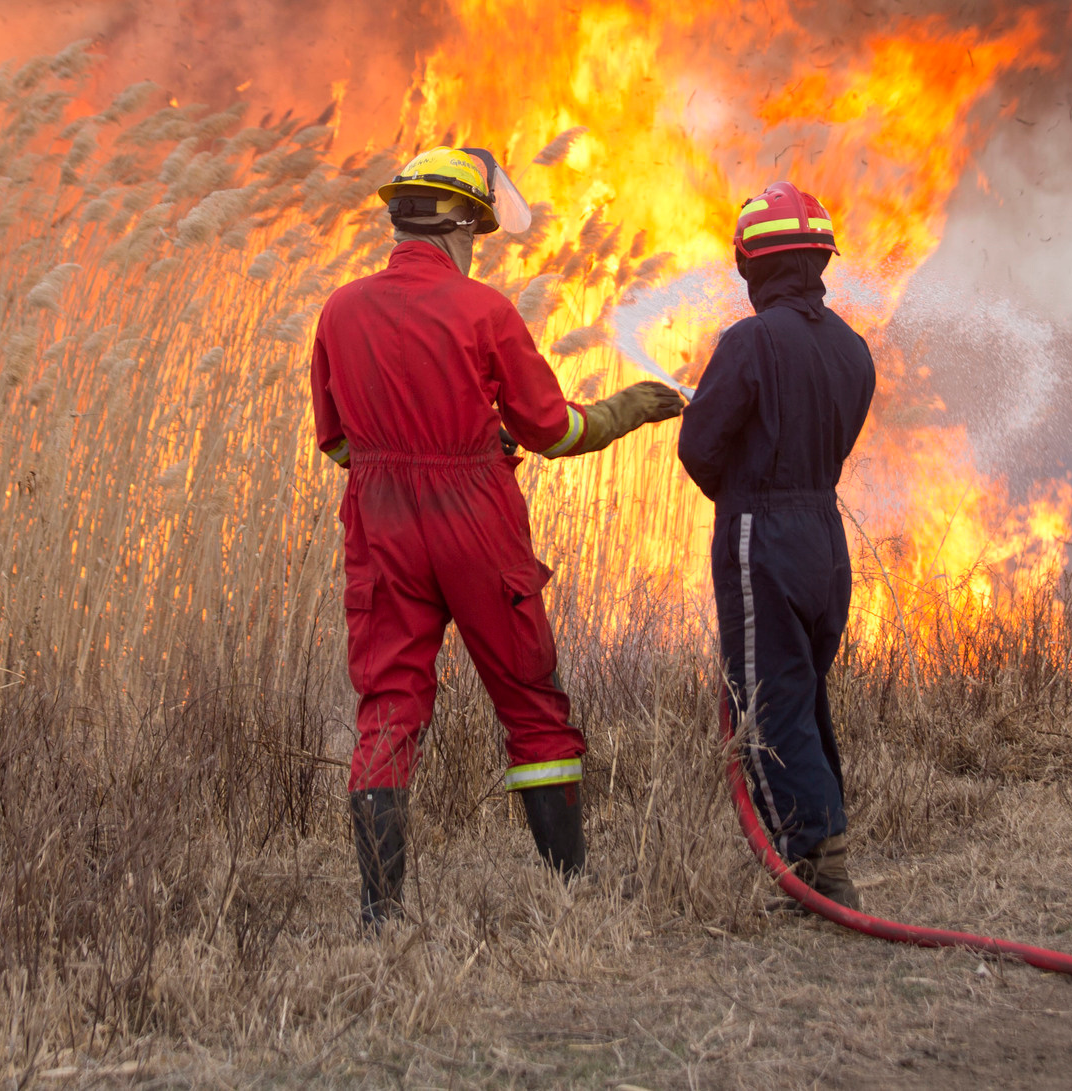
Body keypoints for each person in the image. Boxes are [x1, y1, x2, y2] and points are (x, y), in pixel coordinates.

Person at [311, 145, 684, 923]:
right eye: (476, 231)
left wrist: (402, 454)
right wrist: (626, 410)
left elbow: (338, 442)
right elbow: (552, 430)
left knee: (388, 704)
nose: (476, 244)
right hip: (474, 520)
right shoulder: (484, 311)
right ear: (458, 226)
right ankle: (567, 895)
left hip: (380, 522)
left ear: (400, 219)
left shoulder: (339, 310)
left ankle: (380, 912)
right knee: (529, 699)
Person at [675, 182, 877, 907]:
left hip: (762, 534)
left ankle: (816, 859)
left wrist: (744, 494)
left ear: (749, 263)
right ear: (819, 258)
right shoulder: (852, 347)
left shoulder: (749, 341)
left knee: (766, 701)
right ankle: (823, 852)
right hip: (826, 535)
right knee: (801, 693)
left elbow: (698, 447)